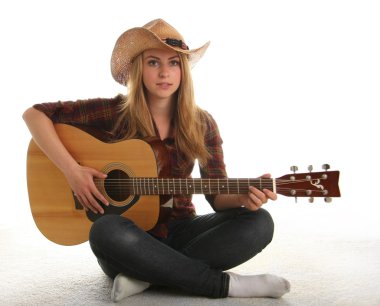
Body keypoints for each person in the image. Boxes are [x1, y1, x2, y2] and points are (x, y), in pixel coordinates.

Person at [23, 18, 290, 302]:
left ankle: (146, 275)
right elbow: (35, 114)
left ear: (183, 71)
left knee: (260, 222)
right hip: (130, 238)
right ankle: (223, 286)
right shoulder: (113, 111)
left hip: (183, 229)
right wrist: (72, 171)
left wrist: (243, 197)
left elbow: (217, 194)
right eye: (153, 63)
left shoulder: (202, 123)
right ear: (139, 68)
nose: (164, 73)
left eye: (174, 63)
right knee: (104, 230)